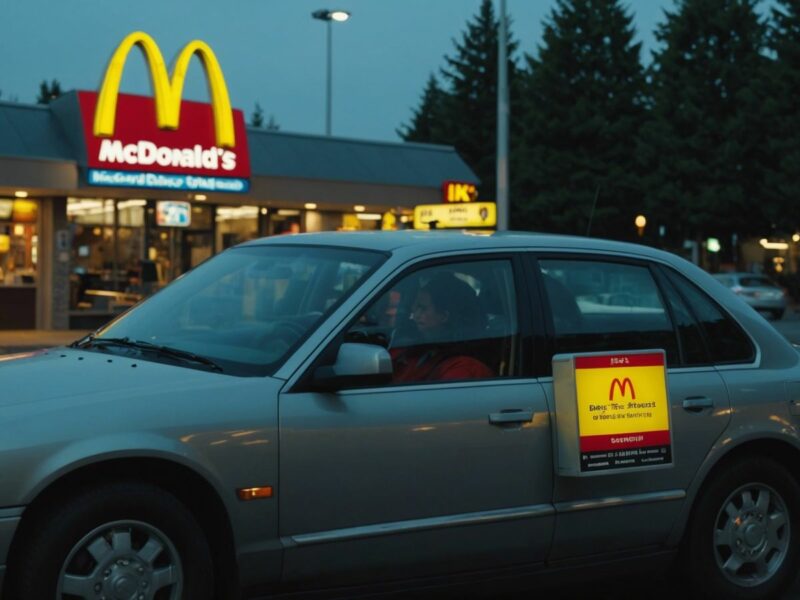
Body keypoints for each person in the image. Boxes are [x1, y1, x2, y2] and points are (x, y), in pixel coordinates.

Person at [391, 272, 493, 382]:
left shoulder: (465, 368)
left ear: (444, 316)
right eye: (415, 308)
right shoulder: (420, 351)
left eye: (423, 308)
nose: (414, 315)